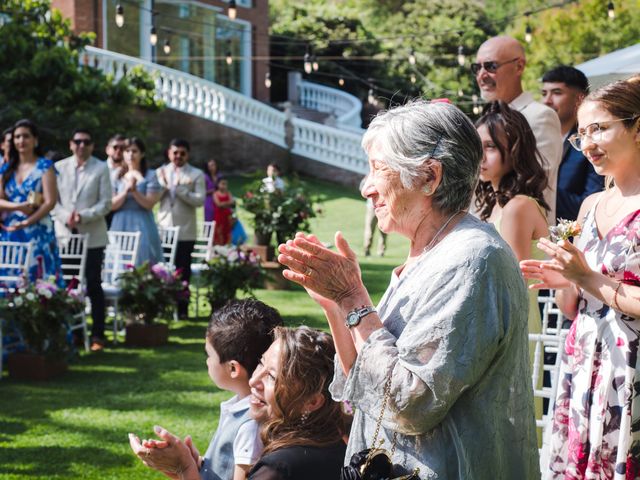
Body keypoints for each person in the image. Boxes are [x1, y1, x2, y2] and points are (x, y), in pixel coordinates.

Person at [278, 99, 539, 478]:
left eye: (377, 170)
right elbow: (366, 381)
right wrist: (338, 306)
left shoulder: (472, 260)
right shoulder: (429, 254)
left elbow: (410, 404)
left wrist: (354, 299)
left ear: (430, 177)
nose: (366, 187)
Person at [521, 77, 640, 478]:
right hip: (583, 361)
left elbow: (596, 282)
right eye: (581, 133)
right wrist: (566, 280)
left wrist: (587, 278)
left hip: (632, 371)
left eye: (600, 128)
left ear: (638, 127)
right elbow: (572, 306)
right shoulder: (589, 206)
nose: (587, 143)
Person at [129, 325, 347, 480]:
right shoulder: (336, 443)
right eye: (261, 364)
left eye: (271, 376)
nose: (253, 380)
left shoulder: (280, 469)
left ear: (312, 402)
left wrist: (184, 467)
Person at [129, 299, 284, 480]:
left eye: (209, 355)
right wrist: (200, 464)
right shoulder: (243, 408)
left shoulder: (250, 425)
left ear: (233, 369)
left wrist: (184, 466)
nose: (207, 361)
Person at [474, 101, 550, 439]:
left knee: (508, 416)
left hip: (510, 318)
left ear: (514, 150)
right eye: (477, 147)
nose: (481, 156)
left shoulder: (518, 207)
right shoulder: (494, 203)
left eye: (490, 147)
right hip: (492, 313)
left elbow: (511, 279)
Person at [474, 35, 562, 224]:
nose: (482, 75)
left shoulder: (540, 116)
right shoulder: (484, 120)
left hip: (524, 229)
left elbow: (537, 182)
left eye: (490, 66)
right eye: (477, 67)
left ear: (519, 66)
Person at [53, 128, 112, 351]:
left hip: (93, 235)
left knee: (93, 285)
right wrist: (65, 216)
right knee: (70, 286)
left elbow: (106, 203)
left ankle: (98, 334)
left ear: (92, 145)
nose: (81, 145)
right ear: (71, 144)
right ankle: (75, 334)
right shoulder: (59, 168)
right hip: (66, 236)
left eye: (86, 142)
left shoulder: (100, 168)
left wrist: (83, 216)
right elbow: (54, 202)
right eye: (77, 141)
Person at [0, 119, 63, 284]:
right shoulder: (6, 169)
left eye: (26, 136)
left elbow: (50, 202)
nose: (21, 141)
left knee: (39, 280)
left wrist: (27, 222)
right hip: (11, 231)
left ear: (35, 140)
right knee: (10, 280)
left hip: (38, 229)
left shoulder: (45, 166)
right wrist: (18, 207)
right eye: (17, 137)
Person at [542, 65, 604, 221]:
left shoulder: (594, 143)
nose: (547, 101)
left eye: (557, 93)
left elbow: (593, 202)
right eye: (544, 93)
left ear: (580, 99)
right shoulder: (540, 139)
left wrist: (541, 187)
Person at [156, 138, 205, 319]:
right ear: (169, 153)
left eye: (182, 153)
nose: (178, 156)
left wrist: (181, 190)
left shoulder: (196, 173)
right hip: (164, 227)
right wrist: (163, 187)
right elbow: (153, 197)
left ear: (188, 154)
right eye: (175, 152)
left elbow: (199, 200)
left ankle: (182, 309)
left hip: (186, 230)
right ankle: (164, 307)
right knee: (162, 269)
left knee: (183, 270)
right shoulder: (160, 172)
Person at [110, 137, 163, 266]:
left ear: (142, 154)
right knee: (118, 260)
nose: (130, 154)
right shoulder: (116, 174)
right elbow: (111, 205)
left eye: (134, 151)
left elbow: (149, 204)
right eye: (127, 151)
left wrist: (134, 191)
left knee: (142, 259)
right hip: (120, 222)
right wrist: (125, 192)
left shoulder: (150, 175)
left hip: (142, 222)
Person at [360, 176, 387, 257]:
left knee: (384, 230)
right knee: (370, 229)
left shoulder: (383, 177)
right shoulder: (369, 177)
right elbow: (362, 188)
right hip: (371, 208)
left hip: (383, 208)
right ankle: (367, 249)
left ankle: (381, 251)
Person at [104, 134, 127, 228]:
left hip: (123, 215)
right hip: (102, 216)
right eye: (115, 147)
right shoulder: (99, 168)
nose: (118, 150)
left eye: (122, 148)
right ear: (107, 149)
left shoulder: (129, 170)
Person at [213, 177, 234, 246]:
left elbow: (232, 202)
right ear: (218, 184)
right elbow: (218, 204)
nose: (224, 186)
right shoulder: (215, 194)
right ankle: (219, 247)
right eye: (222, 184)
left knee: (227, 231)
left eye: (225, 184)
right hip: (219, 216)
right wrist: (227, 203)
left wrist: (223, 204)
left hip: (227, 216)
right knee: (219, 231)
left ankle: (227, 247)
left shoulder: (228, 193)